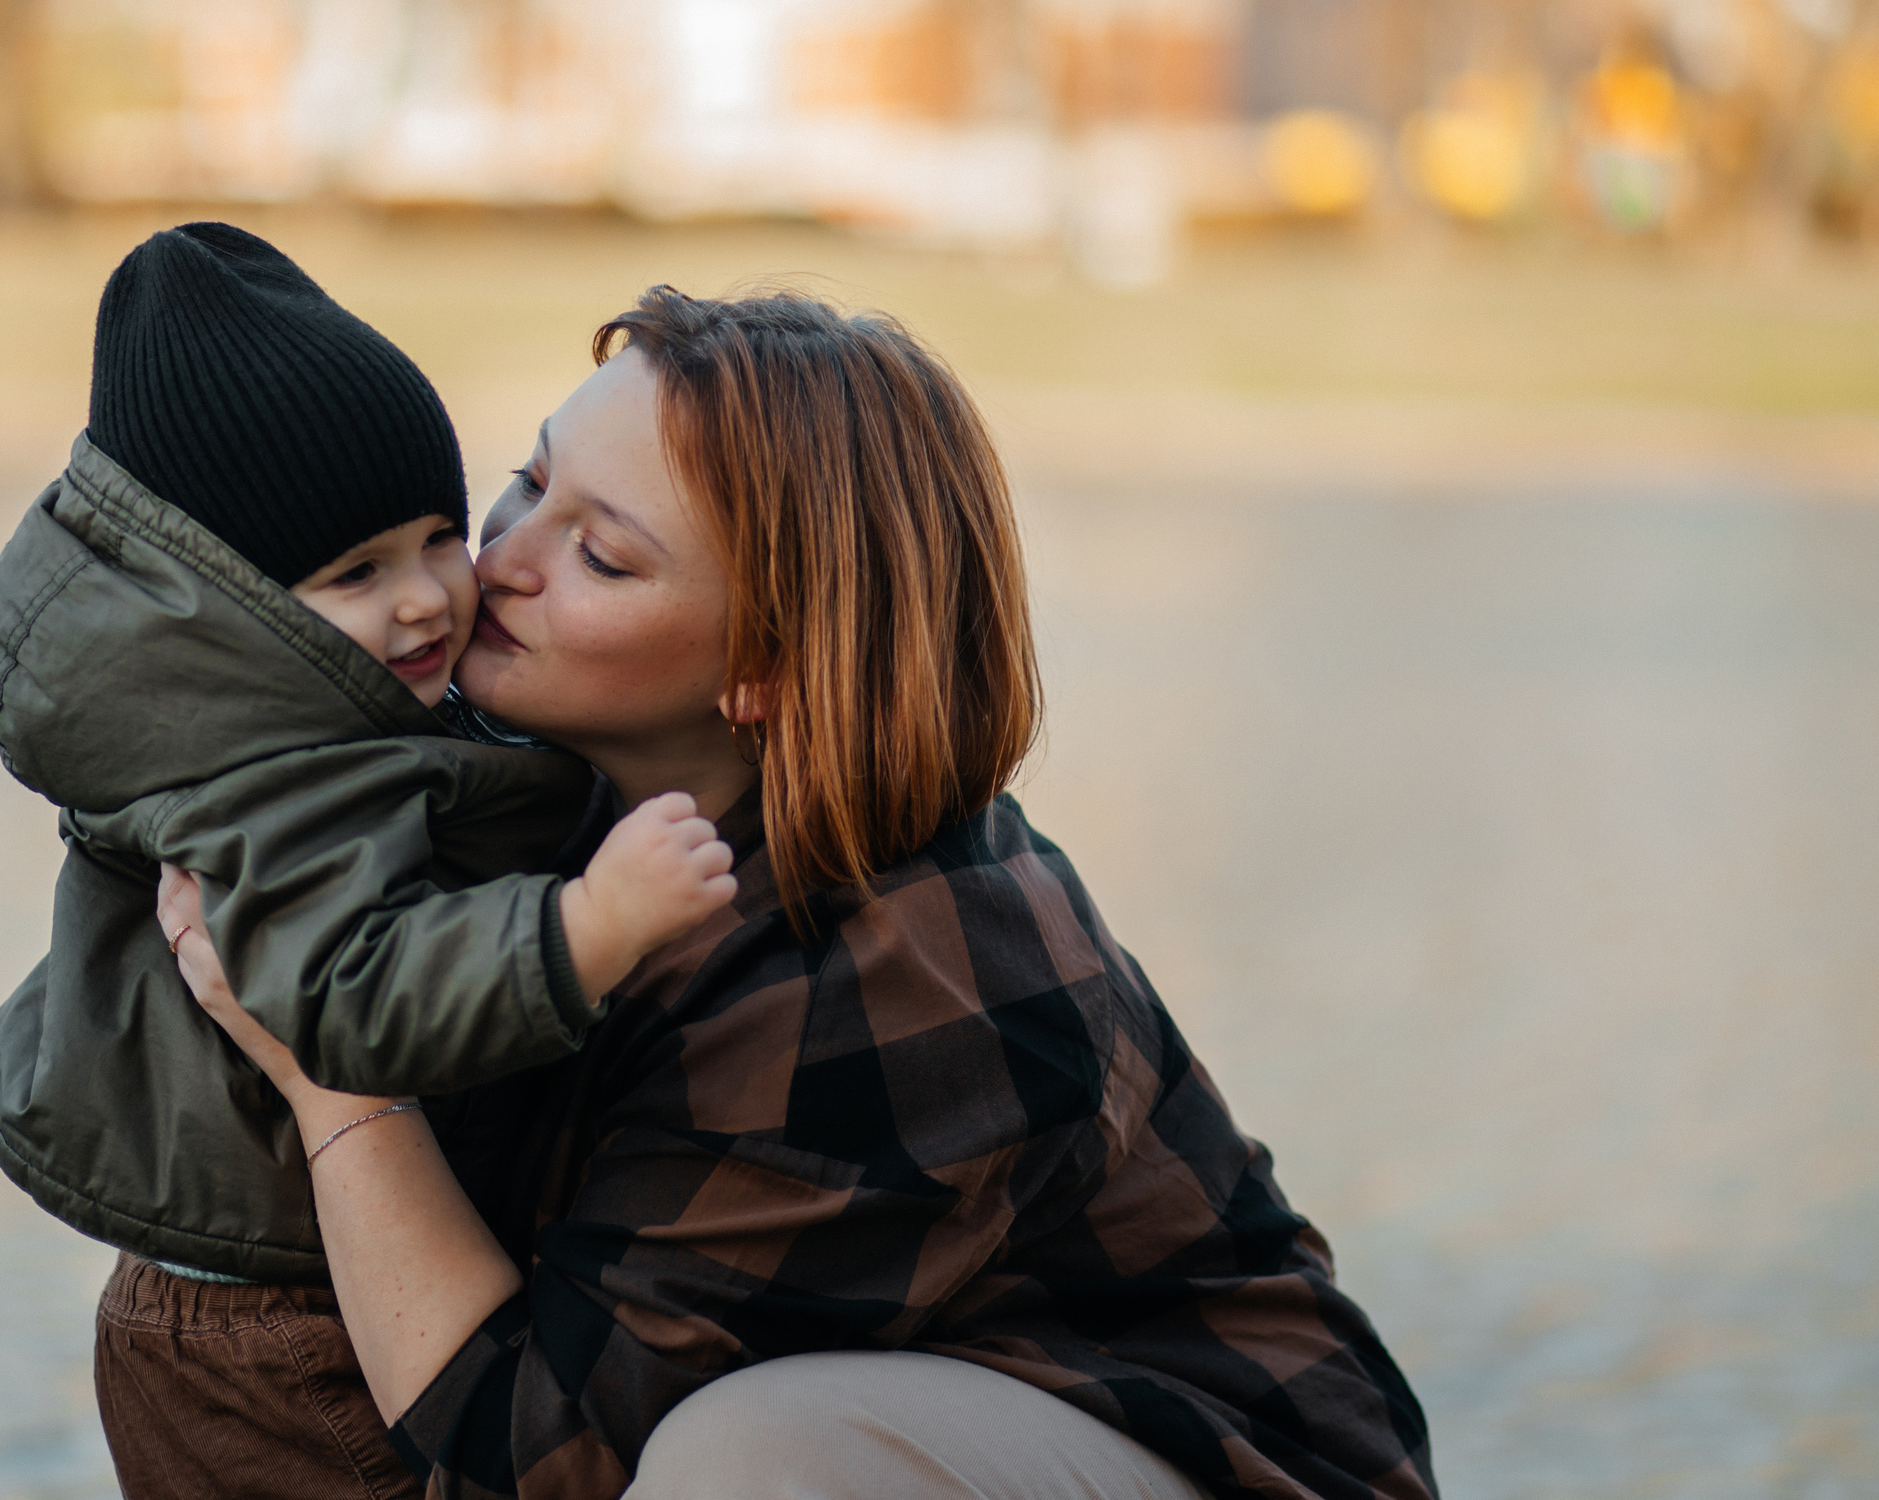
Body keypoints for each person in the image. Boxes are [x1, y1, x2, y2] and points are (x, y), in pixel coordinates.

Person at [156, 286, 1437, 1500]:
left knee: (747, 1461)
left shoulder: (895, 970)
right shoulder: (560, 784)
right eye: (529, 481)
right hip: (912, 1409)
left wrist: (332, 1071)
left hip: (1215, 1469)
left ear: (762, 672)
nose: (498, 562)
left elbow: (536, 1467)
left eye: (600, 555)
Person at [0, 224, 732, 1490]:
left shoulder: (313, 708)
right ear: (244, 612)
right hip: (271, 1338)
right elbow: (346, 993)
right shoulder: (269, 784)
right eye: (355, 573)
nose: (431, 595)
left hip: (290, 1281)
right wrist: (590, 923)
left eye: (438, 532)